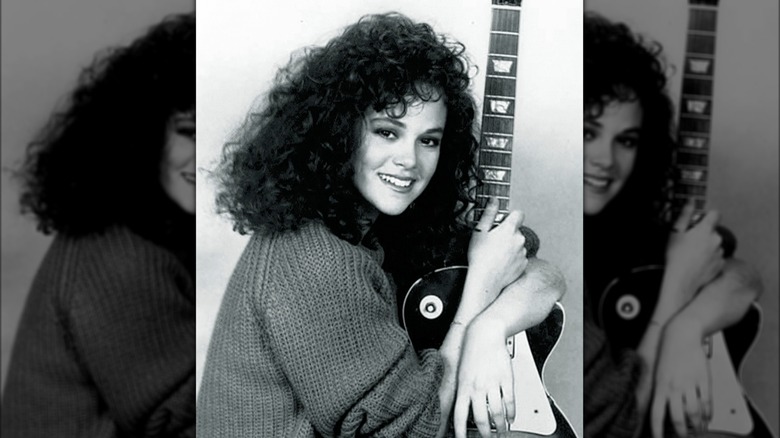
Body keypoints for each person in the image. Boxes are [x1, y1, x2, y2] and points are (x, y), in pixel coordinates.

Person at [197, 12, 565, 438]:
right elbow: (412, 432)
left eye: (428, 140)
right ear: (341, 131)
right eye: (388, 132)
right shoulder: (316, 259)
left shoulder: (365, 225)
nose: (409, 160)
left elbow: (538, 272)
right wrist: (480, 289)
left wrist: (493, 325)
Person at [1, 13, 195, 438]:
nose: (204, 158)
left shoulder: (159, 231)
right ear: (142, 138)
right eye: (188, 132)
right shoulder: (119, 254)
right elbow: (177, 422)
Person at [582, 12, 763, 438]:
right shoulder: (552, 249)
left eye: (626, 140)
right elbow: (616, 422)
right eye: (589, 132)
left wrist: (690, 325)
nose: (606, 160)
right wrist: (677, 289)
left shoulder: (636, 230)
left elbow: (742, 276)